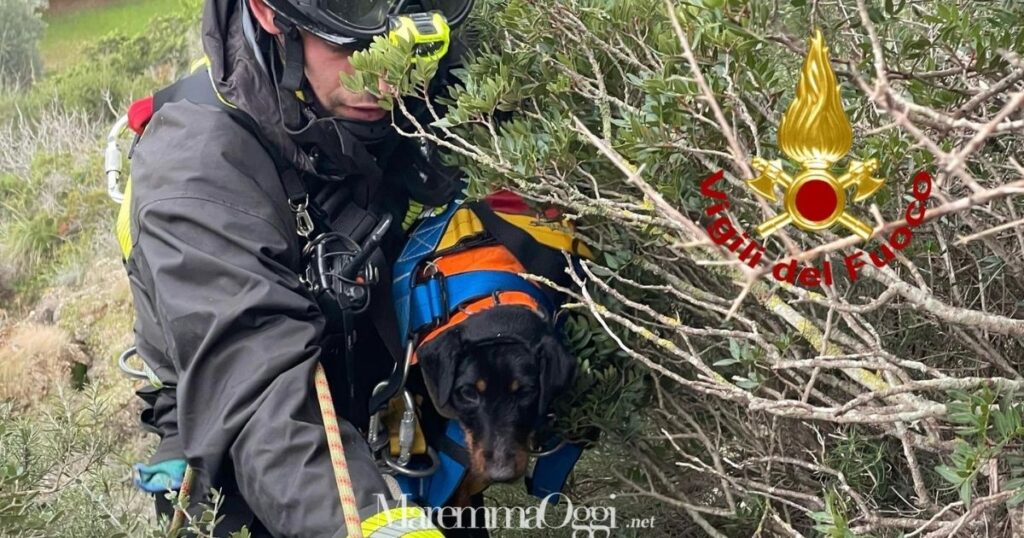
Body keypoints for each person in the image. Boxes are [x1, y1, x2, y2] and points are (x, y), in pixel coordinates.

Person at [123, 0, 472, 535]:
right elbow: (258, 392)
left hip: (381, 390)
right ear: (269, 15)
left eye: (407, 48)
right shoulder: (193, 171)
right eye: (350, 46)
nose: (385, 79)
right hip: (244, 434)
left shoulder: (386, 88)